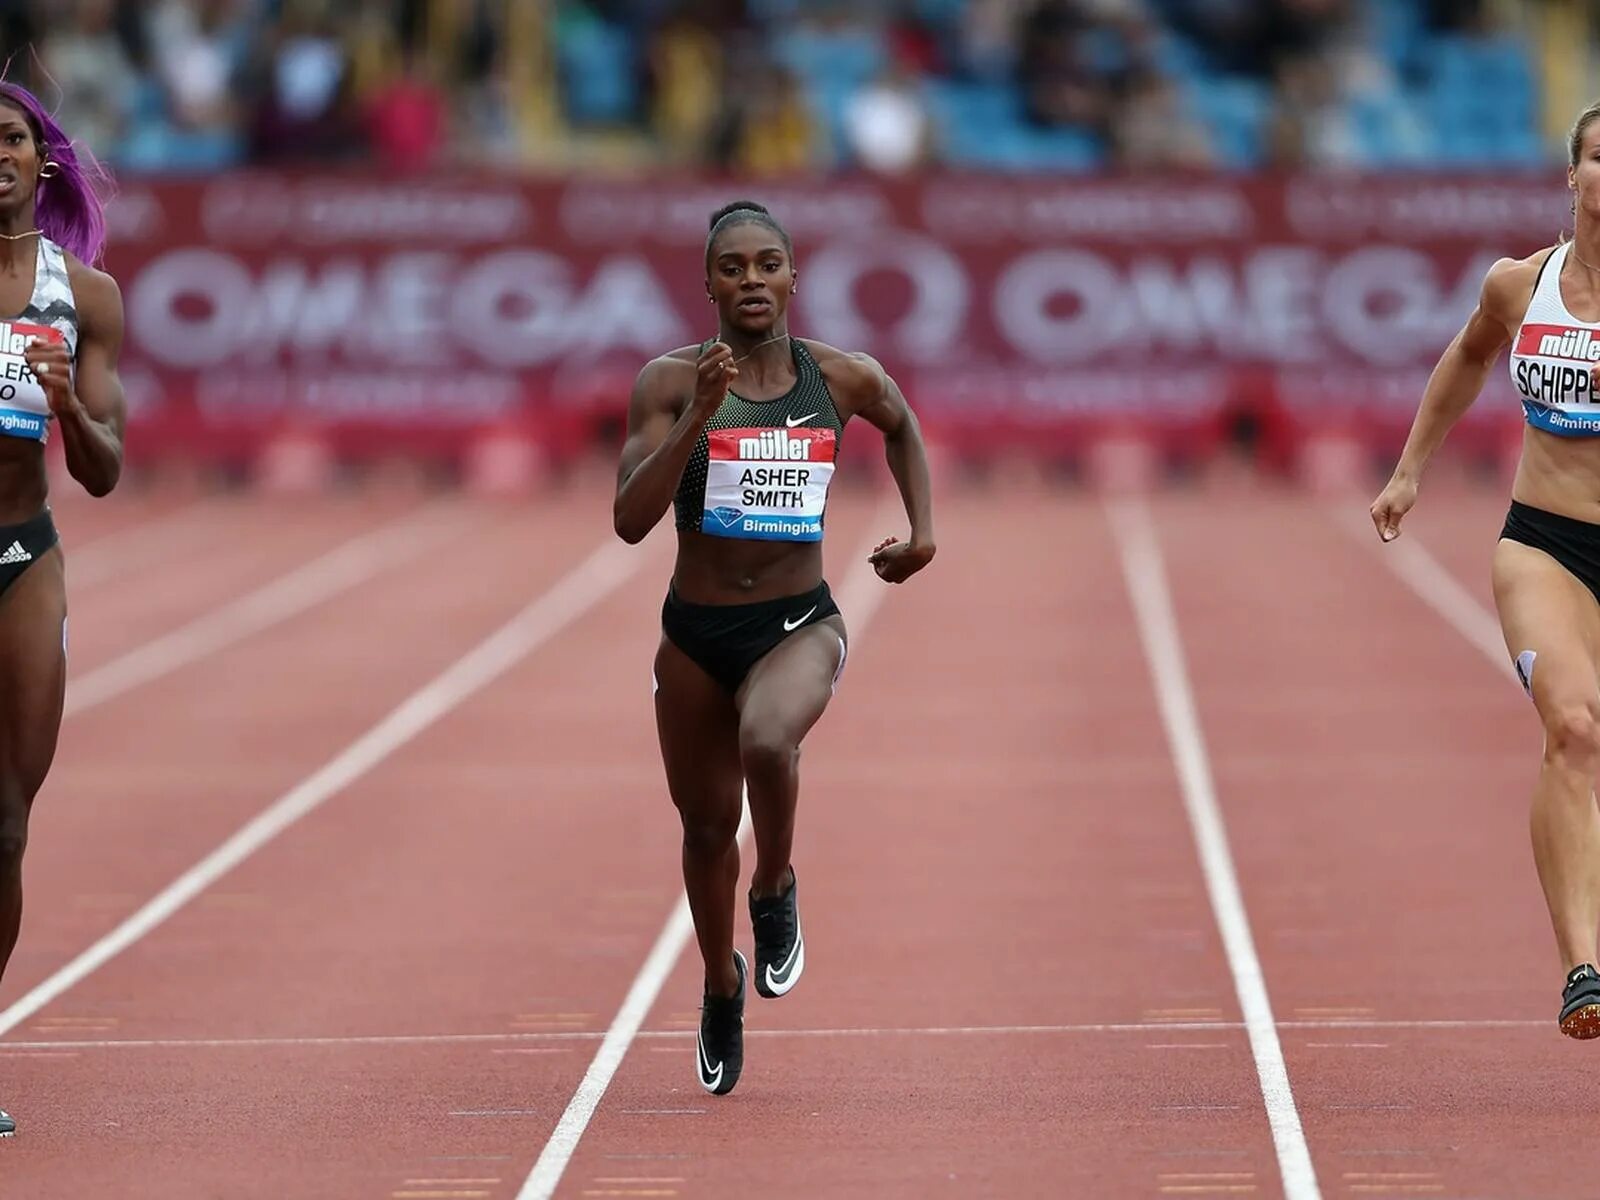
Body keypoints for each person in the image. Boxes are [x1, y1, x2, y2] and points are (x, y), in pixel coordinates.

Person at [613, 201, 936, 1095]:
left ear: (794, 278)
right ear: (708, 283)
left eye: (767, 265)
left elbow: (903, 425)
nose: (750, 280)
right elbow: (630, 524)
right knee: (708, 826)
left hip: (798, 622)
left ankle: (777, 885)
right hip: (694, 633)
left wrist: (923, 534)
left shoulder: (839, 377)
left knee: (766, 739)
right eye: (732, 268)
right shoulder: (668, 383)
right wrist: (699, 416)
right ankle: (722, 981)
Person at [1371, 98, 1600, 1040]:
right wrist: (1410, 468)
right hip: (1545, 541)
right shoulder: (1520, 284)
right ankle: (1584, 966)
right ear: (1573, 175)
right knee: (1576, 728)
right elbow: (1465, 359)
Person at [0, 82, 127, 1133]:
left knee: (3, 830)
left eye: (9, 139)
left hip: (21, 551)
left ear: (41, 161)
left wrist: (67, 404)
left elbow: (105, 470)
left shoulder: (83, 297)